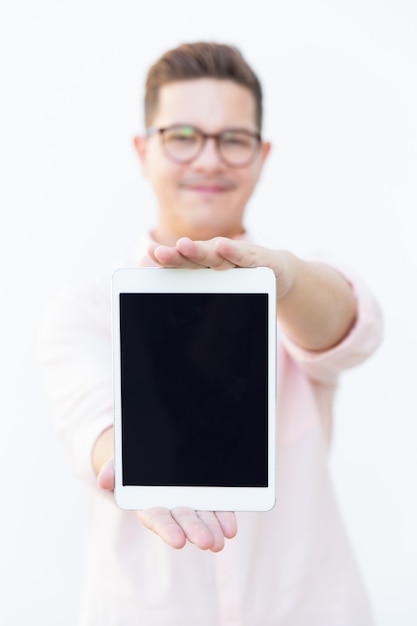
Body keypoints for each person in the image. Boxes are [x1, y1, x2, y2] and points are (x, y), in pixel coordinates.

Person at [40, 41, 383, 626]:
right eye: (182, 136)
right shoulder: (88, 309)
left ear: (261, 153)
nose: (208, 160)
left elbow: (354, 328)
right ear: (143, 150)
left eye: (233, 139)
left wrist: (289, 279)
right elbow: (90, 417)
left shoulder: (297, 289)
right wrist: (123, 458)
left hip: (311, 609)